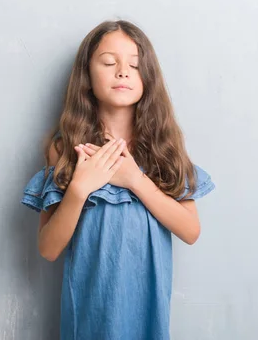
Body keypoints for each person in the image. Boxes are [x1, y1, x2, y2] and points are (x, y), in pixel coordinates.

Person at [20, 20, 216, 340]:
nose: (122, 71)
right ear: (87, 75)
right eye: (109, 62)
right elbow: (48, 248)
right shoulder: (64, 148)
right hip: (89, 316)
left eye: (135, 64)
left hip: (147, 316)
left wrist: (135, 180)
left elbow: (190, 231)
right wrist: (81, 188)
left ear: (146, 78)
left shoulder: (163, 148)